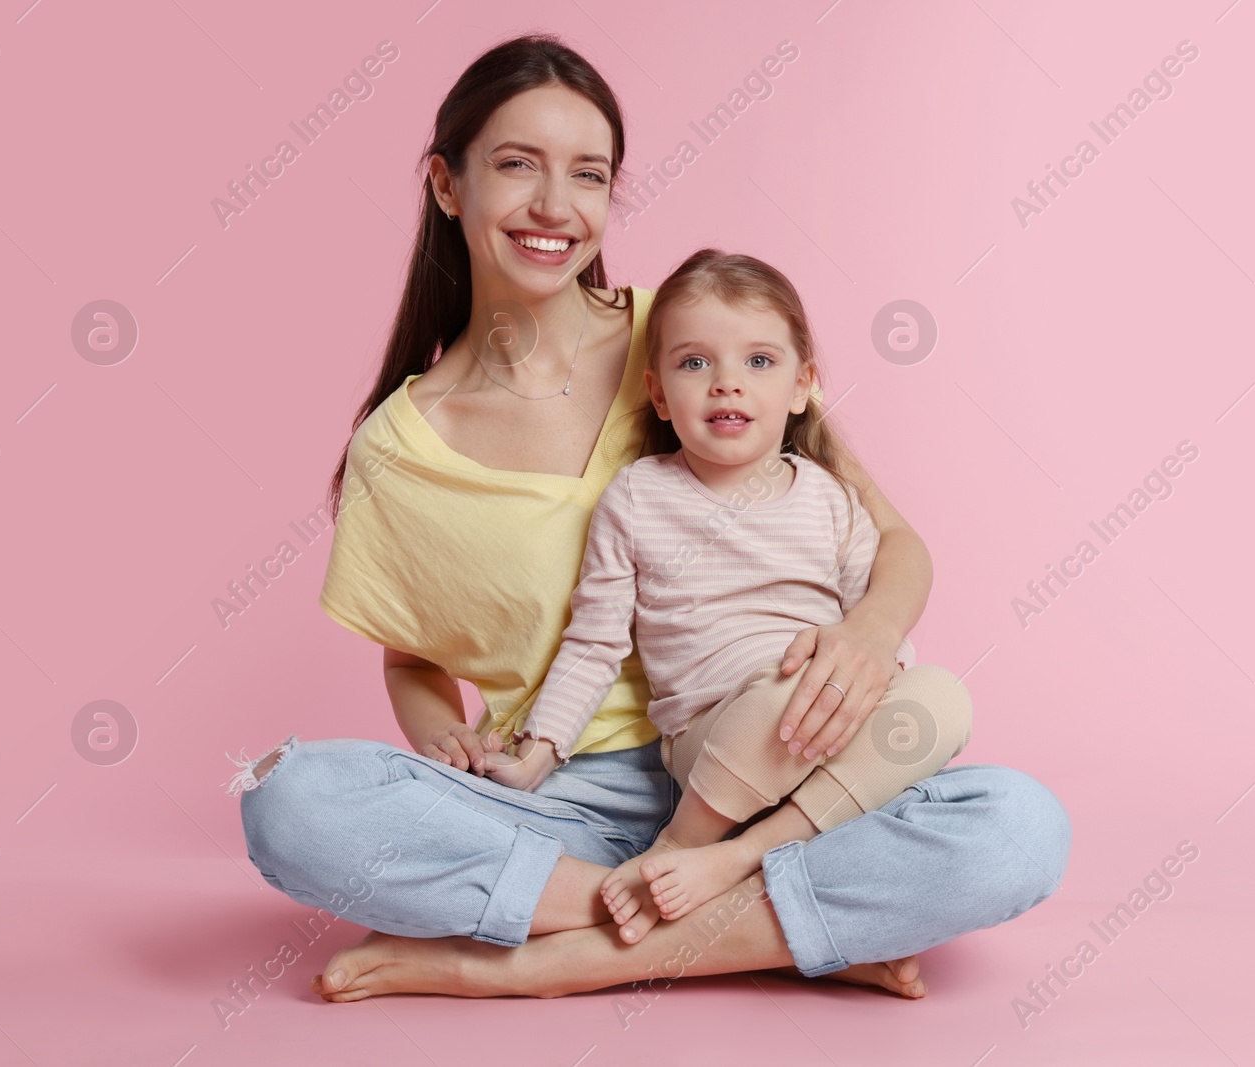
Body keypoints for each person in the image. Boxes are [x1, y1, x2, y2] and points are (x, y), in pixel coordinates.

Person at [230, 32, 1071, 1002]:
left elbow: (890, 539)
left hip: (785, 754)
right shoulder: (398, 447)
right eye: (516, 166)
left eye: (587, 174)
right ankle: (772, 925)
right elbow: (410, 655)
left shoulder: (691, 338)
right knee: (290, 800)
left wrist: (870, 638)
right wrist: (443, 740)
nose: (555, 206)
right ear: (447, 184)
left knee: (1017, 824)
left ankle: (540, 958)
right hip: (566, 798)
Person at [479, 248, 973, 947]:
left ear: (803, 386)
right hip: (719, 737)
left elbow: (872, 624)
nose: (727, 385)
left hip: (822, 724)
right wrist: (538, 751)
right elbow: (593, 642)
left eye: (760, 363)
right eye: (694, 363)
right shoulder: (638, 497)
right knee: (788, 692)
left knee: (943, 695)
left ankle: (733, 856)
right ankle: (684, 838)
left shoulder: (829, 497)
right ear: (658, 394)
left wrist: (874, 682)